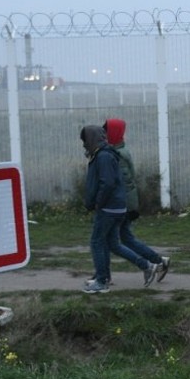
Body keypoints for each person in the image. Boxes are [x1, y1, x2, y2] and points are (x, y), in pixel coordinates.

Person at [102, 118, 170, 286]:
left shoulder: (118, 155)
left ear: (112, 133)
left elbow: (123, 183)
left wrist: (116, 204)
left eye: (106, 132)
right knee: (126, 238)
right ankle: (159, 262)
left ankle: (105, 275)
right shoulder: (118, 151)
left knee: (110, 241)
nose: (103, 136)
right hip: (124, 204)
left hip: (121, 204)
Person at [79, 125, 127, 294]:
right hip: (114, 207)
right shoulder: (103, 154)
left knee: (97, 242)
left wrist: (98, 202)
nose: (84, 144)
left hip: (108, 208)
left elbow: (107, 183)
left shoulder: (103, 156)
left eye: (85, 140)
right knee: (110, 243)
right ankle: (103, 277)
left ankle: (101, 281)